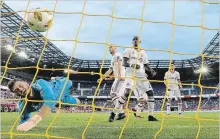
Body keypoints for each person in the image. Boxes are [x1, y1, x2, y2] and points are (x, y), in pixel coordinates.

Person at [8, 76, 80, 131]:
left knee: (69, 82)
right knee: (76, 102)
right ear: (16, 94)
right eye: (17, 90)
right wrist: (23, 126)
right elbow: (24, 120)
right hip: (58, 99)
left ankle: (56, 78)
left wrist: (34, 121)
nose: (20, 89)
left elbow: (50, 99)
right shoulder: (23, 105)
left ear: (26, 83)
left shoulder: (40, 83)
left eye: (20, 85)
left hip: (60, 85)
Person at [115, 36, 158, 121]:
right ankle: (117, 112)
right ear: (132, 42)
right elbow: (124, 63)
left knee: (150, 93)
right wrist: (132, 65)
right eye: (133, 39)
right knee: (127, 93)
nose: (135, 40)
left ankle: (150, 116)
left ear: (140, 41)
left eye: (136, 39)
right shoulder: (128, 50)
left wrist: (151, 70)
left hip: (142, 76)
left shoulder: (143, 52)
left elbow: (146, 65)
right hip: (131, 75)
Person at [97, 45, 126, 122]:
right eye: (109, 48)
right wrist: (102, 78)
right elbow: (110, 70)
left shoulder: (117, 55)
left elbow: (120, 63)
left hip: (120, 78)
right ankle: (121, 113)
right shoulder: (113, 58)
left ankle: (117, 113)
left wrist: (119, 75)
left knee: (113, 94)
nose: (110, 49)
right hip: (118, 78)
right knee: (116, 96)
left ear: (115, 48)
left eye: (111, 47)